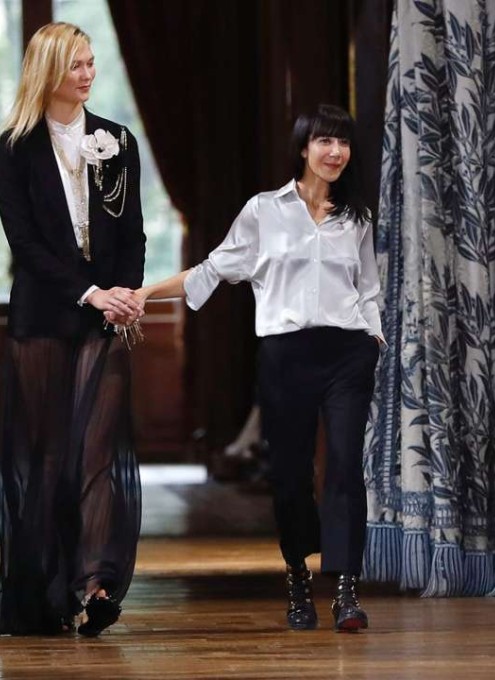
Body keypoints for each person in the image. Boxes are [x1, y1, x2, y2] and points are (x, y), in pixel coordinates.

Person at [134, 104, 381, 632]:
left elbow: (370, 290)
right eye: (324, 142)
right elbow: (212, 270)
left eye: (343, 144)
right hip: (285, 354)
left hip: (346, 354)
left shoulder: (356, 217)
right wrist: (147, 292)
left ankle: (346, 591)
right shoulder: (264, 211)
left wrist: (373, 338)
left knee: (343, 464)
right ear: (302, 148)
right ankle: (297, 578)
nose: (335, 153)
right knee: (290, 475)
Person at [0, 22, 145, 637]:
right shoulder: (13, 147)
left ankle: (96, 583)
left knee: (95, 450)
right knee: (50, 452)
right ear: (48, 72)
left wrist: (126, 296)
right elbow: (25, 244)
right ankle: (43, 589)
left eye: (91, 63)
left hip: (105, 316)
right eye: (77, 66)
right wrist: (89, 291)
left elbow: (133, 231)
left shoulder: (118, 141)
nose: (89, 74)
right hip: (44, 312)